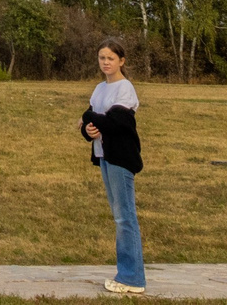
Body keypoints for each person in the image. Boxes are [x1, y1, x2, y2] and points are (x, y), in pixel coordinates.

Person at [80, 38, 146, 294]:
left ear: (121, 61)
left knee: (124, 217)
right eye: (102, 58)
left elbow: (117, 124)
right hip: (104, 157)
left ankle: (132, 279)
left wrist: (86, 117)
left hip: (121, 158)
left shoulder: (124, 89)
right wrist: (88, 130)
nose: (105, 62)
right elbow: (95, 125)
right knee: (119, 216)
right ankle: (128, 275)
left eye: (110, 58)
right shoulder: (99, 89)